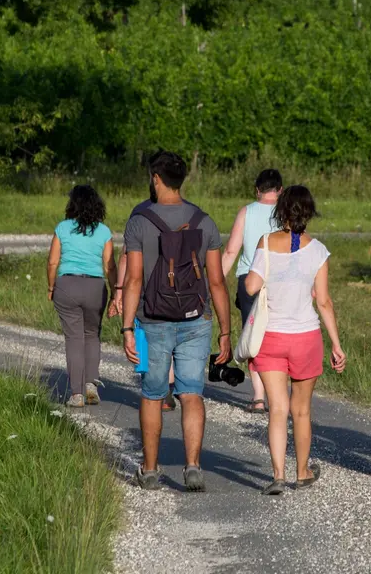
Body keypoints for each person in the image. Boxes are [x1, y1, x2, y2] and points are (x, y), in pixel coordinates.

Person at [121, 151, 232, 491]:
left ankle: (151, 470)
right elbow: (216, 282)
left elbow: (135, 279)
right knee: (191, 392)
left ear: (156, 179)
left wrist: (127, 326)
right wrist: (226, 330)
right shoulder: (204, 221)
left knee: (153, 393)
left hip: (153, 319)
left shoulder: (139, 221)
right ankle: (193, 466)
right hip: (195, 319)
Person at [244, 185, 346, 495]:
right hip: (305, 337)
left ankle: (277, 476)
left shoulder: (265, 243)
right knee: (301, 411)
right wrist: (336, 344)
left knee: (278, 409)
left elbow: (250, 287)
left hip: (271, 337)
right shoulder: (318, 251)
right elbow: (324, 302)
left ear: (281, 212)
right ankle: (302, 472)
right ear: (309, 214)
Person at [46, 185, 117, 407]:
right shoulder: (103, 231)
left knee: (74, 339)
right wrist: (116, 294)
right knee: (92, 335)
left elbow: (52, 262)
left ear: (72, 204)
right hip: (95, 287)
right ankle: (90, 385)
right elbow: (110, 266)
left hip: (67, 285)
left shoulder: (63, 228)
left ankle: (76, 394)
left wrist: (51, 287)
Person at [110, 188, 177, 412]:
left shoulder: (139, 213)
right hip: (174, 284)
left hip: (144, 285)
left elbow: (126, 256)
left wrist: (119, 290)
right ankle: (167, 388)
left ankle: (156, 389)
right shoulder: (183, 211)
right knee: (170, 334)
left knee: (146, 335)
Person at [222, 168, 283, 412]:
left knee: (253, 335)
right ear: (280, 190)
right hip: (279, 280)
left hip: (249, 280)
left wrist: (210, 284)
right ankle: (277, 393)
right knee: (277, 335)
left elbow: (230, 252)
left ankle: (258, 396)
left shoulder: (246, 212)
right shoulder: (286, 212)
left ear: (257, 190)